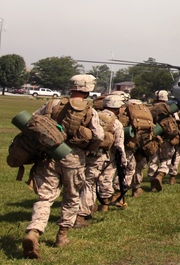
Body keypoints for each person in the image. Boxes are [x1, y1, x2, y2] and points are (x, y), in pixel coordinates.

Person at [23, 74, 104, 259]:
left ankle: (34, 231)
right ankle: (62, 236)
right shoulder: (90, 110)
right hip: (74, 158)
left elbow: (33, 121)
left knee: (45, 197)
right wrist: (89, 149)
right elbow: (98, 136)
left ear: (71, 87)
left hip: (49, 156)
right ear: (88, 89)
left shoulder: (52, 104)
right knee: (71, 196)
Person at [80, 91, 125, 222]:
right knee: (93, 183)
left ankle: (87, 206)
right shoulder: (116, 123)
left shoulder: (94, 115)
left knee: (85, 182)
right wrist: (123, 162)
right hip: (103, 157)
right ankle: (85, 212)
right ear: (118, 107)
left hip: (86, 154)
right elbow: (119, 145)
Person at [148, 90, 178, 192]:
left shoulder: (149, 110)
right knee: (166, 160)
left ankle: (152, 184)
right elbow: (177, 123)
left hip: (154, 139)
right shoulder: (170, 110)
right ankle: (160, 175)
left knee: (153, 161)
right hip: (167, 139)